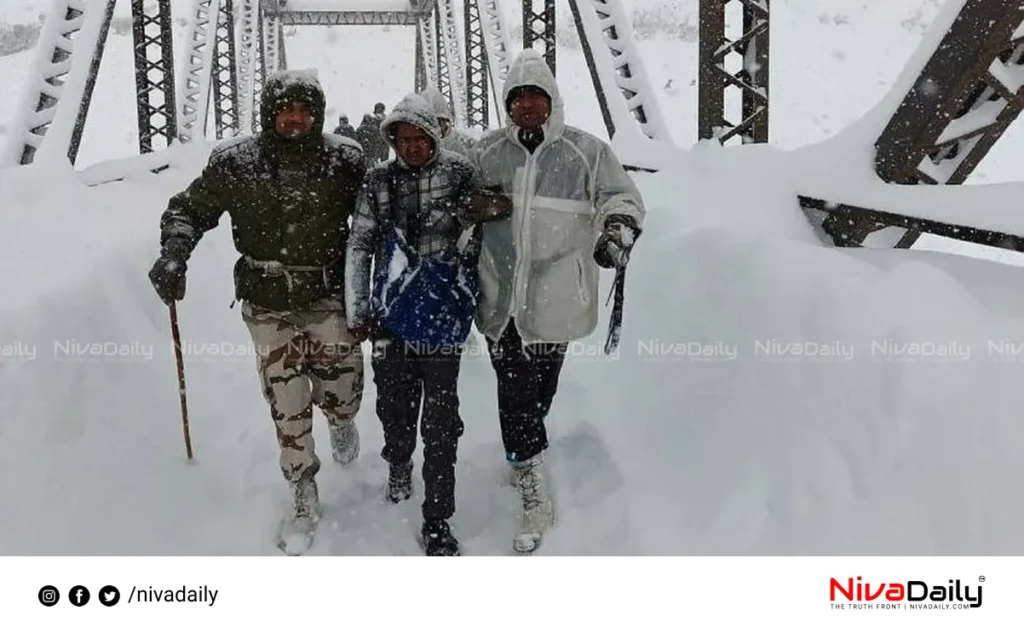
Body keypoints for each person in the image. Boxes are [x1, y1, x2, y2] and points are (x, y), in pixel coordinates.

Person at [148, 69, 367, 555]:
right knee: (285, 396)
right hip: (266, 301)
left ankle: (341, 416)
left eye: (304, 110)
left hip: (328, 292)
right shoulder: (235, 163)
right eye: (285, 109)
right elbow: (190, 208)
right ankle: (302, 486)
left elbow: (378, 215)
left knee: (342, 384)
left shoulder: (344, 159)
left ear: (318, 113)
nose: (295, 118)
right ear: (269, 113)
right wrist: (174, 251)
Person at [468, 49, 646, 554]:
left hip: (557, 296)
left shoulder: (586, 152)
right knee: (516, 392)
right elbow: (453, 199)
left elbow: (622, 196)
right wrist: (470, 208)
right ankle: (532, 490)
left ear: (551, 101)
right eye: (517, 97)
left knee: (539, 391)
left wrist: (617, 227)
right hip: (500, 297)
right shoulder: (485, 153)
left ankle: (523, 449)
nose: (526, 105)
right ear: (507, 103)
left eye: (535, 96)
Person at [345, 93, 488, 556]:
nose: (411, 147)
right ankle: (399, 459)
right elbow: (360, 243)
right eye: (402, 139)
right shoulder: (377, 181)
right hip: (392, 317)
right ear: (392, 140)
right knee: (394, 406)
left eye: (420, 138)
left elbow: (478, 239)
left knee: (441, 421)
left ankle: (438, 517)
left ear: (435, 135)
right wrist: (357, 306)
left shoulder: (460, 173)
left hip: (443, 318)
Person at [418, 86, 477, 158]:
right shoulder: (413, 149)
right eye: (427, 123)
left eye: (437, 122)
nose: (433, 128)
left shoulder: (468, 146)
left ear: (446, 121)